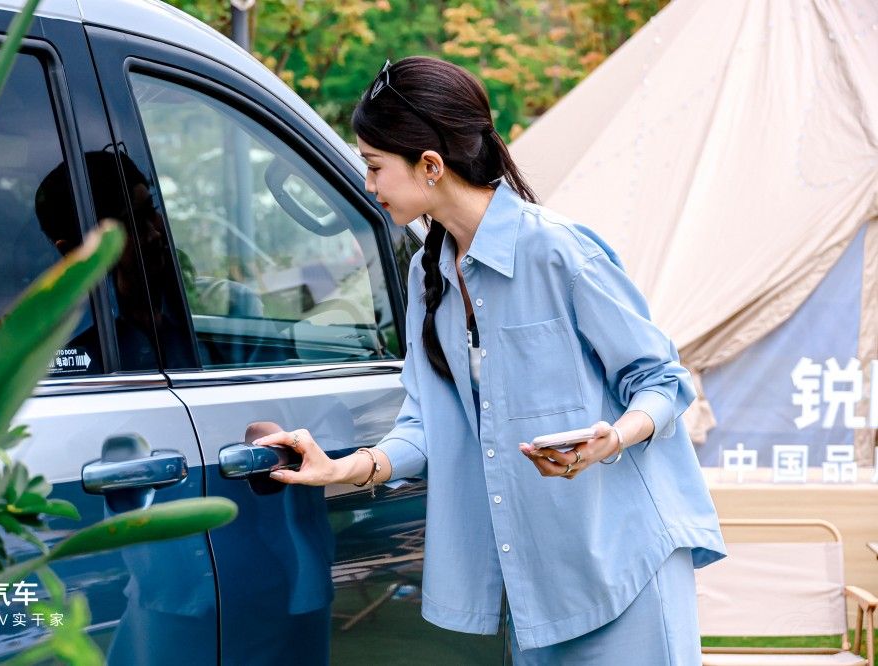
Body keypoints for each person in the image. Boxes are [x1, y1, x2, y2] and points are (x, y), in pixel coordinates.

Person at [254, 56, 725, 665]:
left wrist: (610, 440)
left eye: (374, 167)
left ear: (430, 165)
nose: (368, 186)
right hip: (534, 590)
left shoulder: (557, 251)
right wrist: (341, 469)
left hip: (623, 570)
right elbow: (428, 426)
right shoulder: (436, 278)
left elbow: (661, 378)